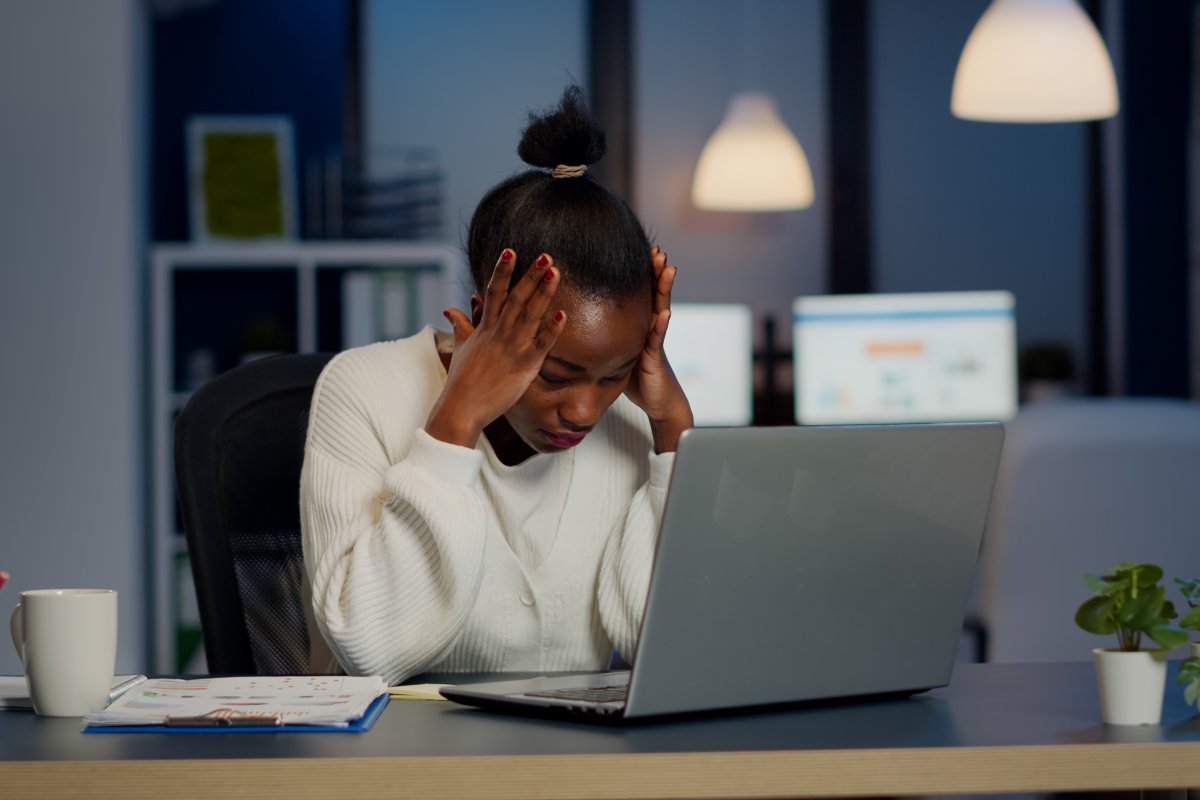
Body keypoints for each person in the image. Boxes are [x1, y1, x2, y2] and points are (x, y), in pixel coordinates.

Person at [300, 86, 693, 685]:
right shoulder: (361, 389)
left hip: (569, 767)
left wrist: (674, 441)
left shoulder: (635, 420)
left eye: (614, 375)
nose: (585, 410)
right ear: (483, 317)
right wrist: (455, 420)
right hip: (395, 769)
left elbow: (667, 648)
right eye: (556, 374)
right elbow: (372, 649)